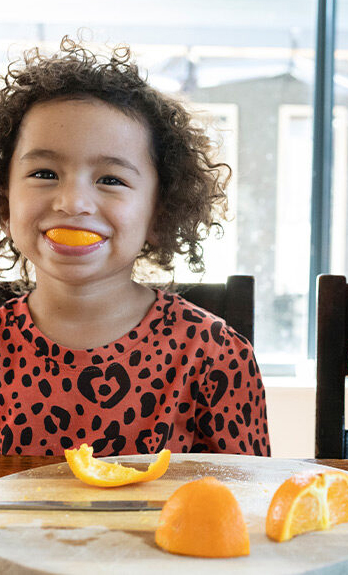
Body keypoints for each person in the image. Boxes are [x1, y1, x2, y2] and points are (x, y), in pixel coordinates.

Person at [0, 37, 270, 456]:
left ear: (159, 214)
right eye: (44, 172)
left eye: (111, 179)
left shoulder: (216, 355)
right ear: (5, 202)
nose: (72, 202)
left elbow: (243, 505)